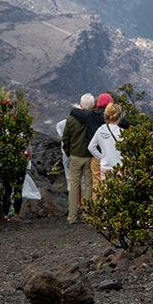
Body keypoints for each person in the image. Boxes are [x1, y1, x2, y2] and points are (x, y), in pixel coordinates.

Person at [61, 93, 96, 224]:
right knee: (88, 185)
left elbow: (65, 138)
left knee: (74, 186)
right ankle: (87, 215)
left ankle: (72, 216)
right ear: (92, 106)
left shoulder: (71, 119)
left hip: (75, 156)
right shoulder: (92, 119)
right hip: (88, 156)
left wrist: (69, 152)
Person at [86, 103, 124, 182]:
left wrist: (102, 158)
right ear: (119, 116)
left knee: (106, 191)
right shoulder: (121, 132)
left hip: (104, 167)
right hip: (118, 167)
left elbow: (91, 147)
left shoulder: (101, 130)